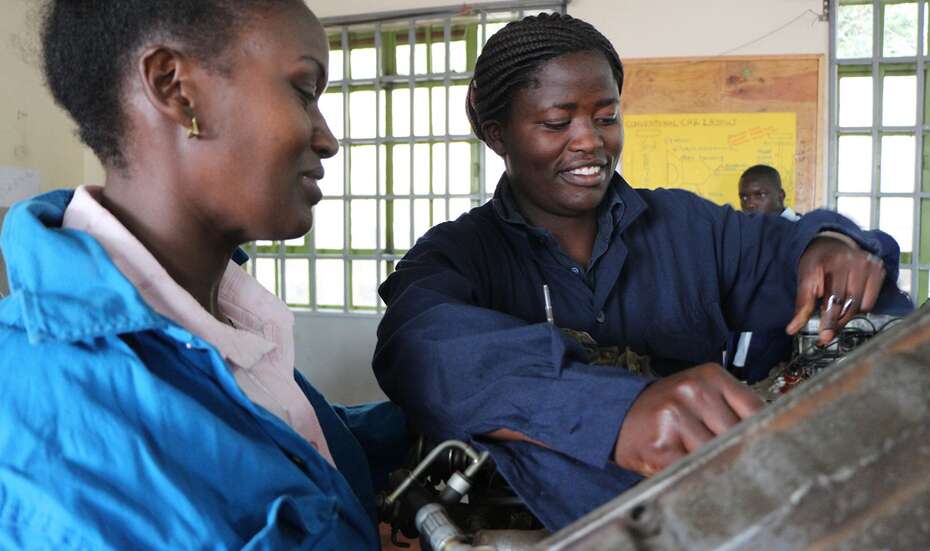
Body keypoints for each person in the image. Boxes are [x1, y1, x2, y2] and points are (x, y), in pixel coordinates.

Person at [373, 13, 912, 531]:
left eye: (606, 117)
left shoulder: (686, 225)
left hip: (722, 514)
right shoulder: (460, 254)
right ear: (497, 135)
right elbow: (418, 345)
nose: (590, 141)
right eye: (556, 123)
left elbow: (790, 246)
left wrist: (830, 243)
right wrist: (616, 410)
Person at [0, 1, 406, 548]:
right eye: (304, 91)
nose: (327, 138)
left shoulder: (219, 313)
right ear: (176, 88)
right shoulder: (46, 415)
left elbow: (273, 438)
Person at [730, 165, 911, 382]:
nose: (750, 203)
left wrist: (844, 242)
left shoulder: (808, 236)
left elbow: (884, 244)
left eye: (759, 194)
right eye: (744, 197)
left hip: (789, 366)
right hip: (737, 363)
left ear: (781, 195)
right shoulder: (742, 242)